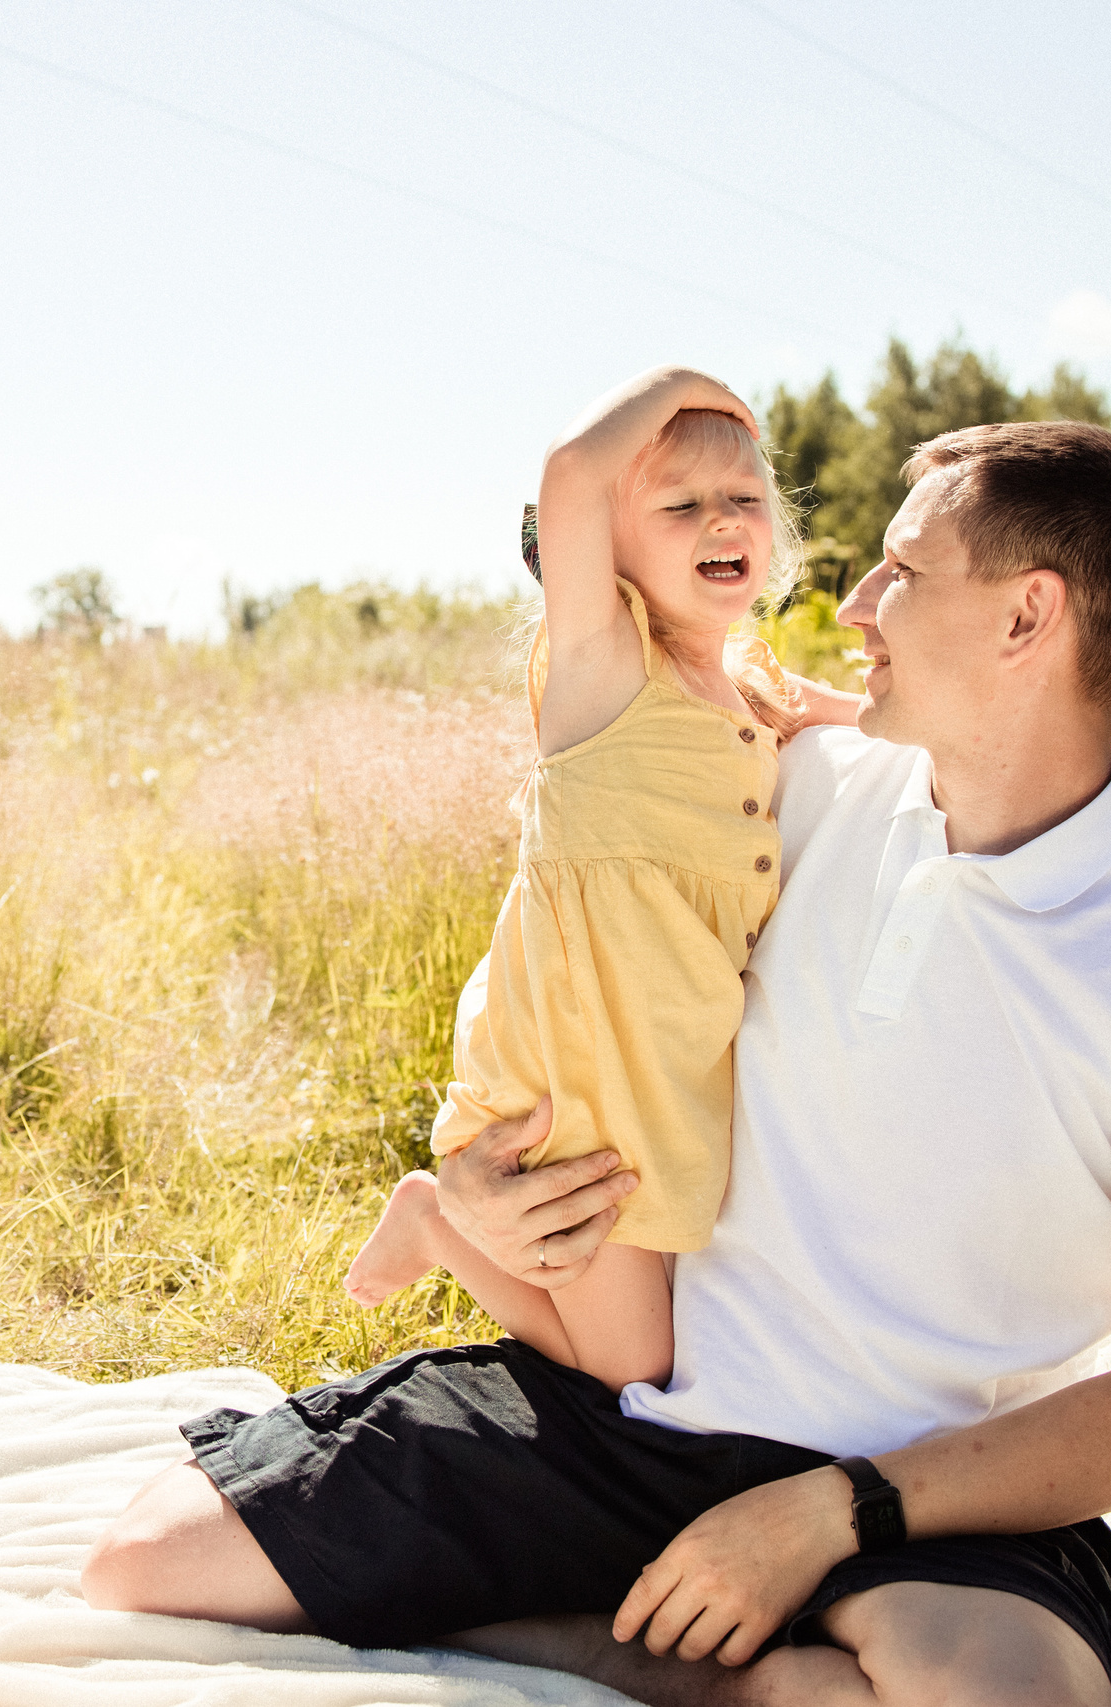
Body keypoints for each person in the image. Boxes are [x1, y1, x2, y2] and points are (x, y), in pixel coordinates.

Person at [83, 418, 1111, 1707]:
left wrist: (827, 1515)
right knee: (149, 1562)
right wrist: (472, 1181)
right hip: (631, 1423)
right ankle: (626, 1651)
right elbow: (576, 966)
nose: (854, 603)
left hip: (939, 1496)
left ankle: (679, 1636)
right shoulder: (791, 785)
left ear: (1028, 616)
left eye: (902, 571)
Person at [341, 366, 856, 1389]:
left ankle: (446, 1232)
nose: (722, 520)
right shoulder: (604, 662)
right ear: (606, 554)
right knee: (633, 1366)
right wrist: (692, 388)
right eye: (679, 505)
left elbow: (898, 719)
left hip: (663, 1058)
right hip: (583, 1062)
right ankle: (437, 1227)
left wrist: (1103, 764)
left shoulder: (750, 683)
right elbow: (573, 471)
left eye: (744, 499)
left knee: (656, 1338)